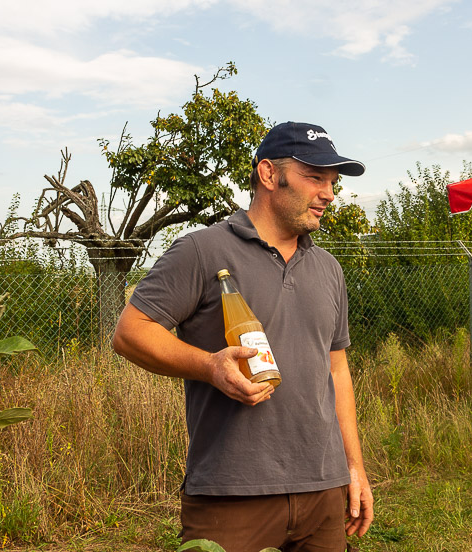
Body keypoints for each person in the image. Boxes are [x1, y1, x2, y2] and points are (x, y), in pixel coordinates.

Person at [112, 121, 373, 551]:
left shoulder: (328, 268)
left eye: (332, 182)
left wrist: (354, 468)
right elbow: (130, 333)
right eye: (314, 177)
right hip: (231, 493)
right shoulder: (202, 251)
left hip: (323, 490)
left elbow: (336, 370)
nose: (328, 193)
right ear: (269, 175)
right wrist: (209, 366)